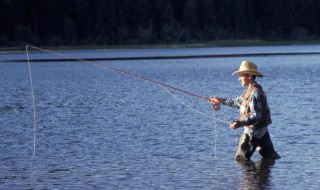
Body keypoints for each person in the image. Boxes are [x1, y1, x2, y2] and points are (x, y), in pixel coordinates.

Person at [210, 61, 280, 161]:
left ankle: (254, 176)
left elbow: (257, 116)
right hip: (261, 130)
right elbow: (236, 102)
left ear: (249, 76)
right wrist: (220, 100)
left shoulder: (255, 93)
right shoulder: (248, 91)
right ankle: (263, 176)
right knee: (270, 157)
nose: (239, 79)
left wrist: (240, 123)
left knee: (240, 159)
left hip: (253, 132)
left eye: (241, 76)